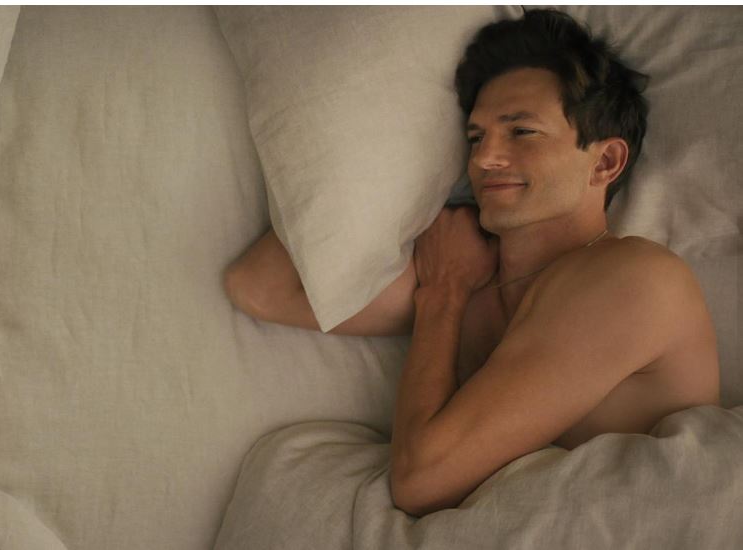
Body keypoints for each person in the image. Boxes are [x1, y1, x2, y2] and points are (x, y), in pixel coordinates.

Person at [223, 9, 719, 517]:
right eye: (476, 137)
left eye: (522, 131)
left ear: (606, 162)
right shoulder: (468, 274)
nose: (483, 159)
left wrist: (443, 296)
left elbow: (422, 482)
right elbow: (260, 286)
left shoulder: (638, 278)